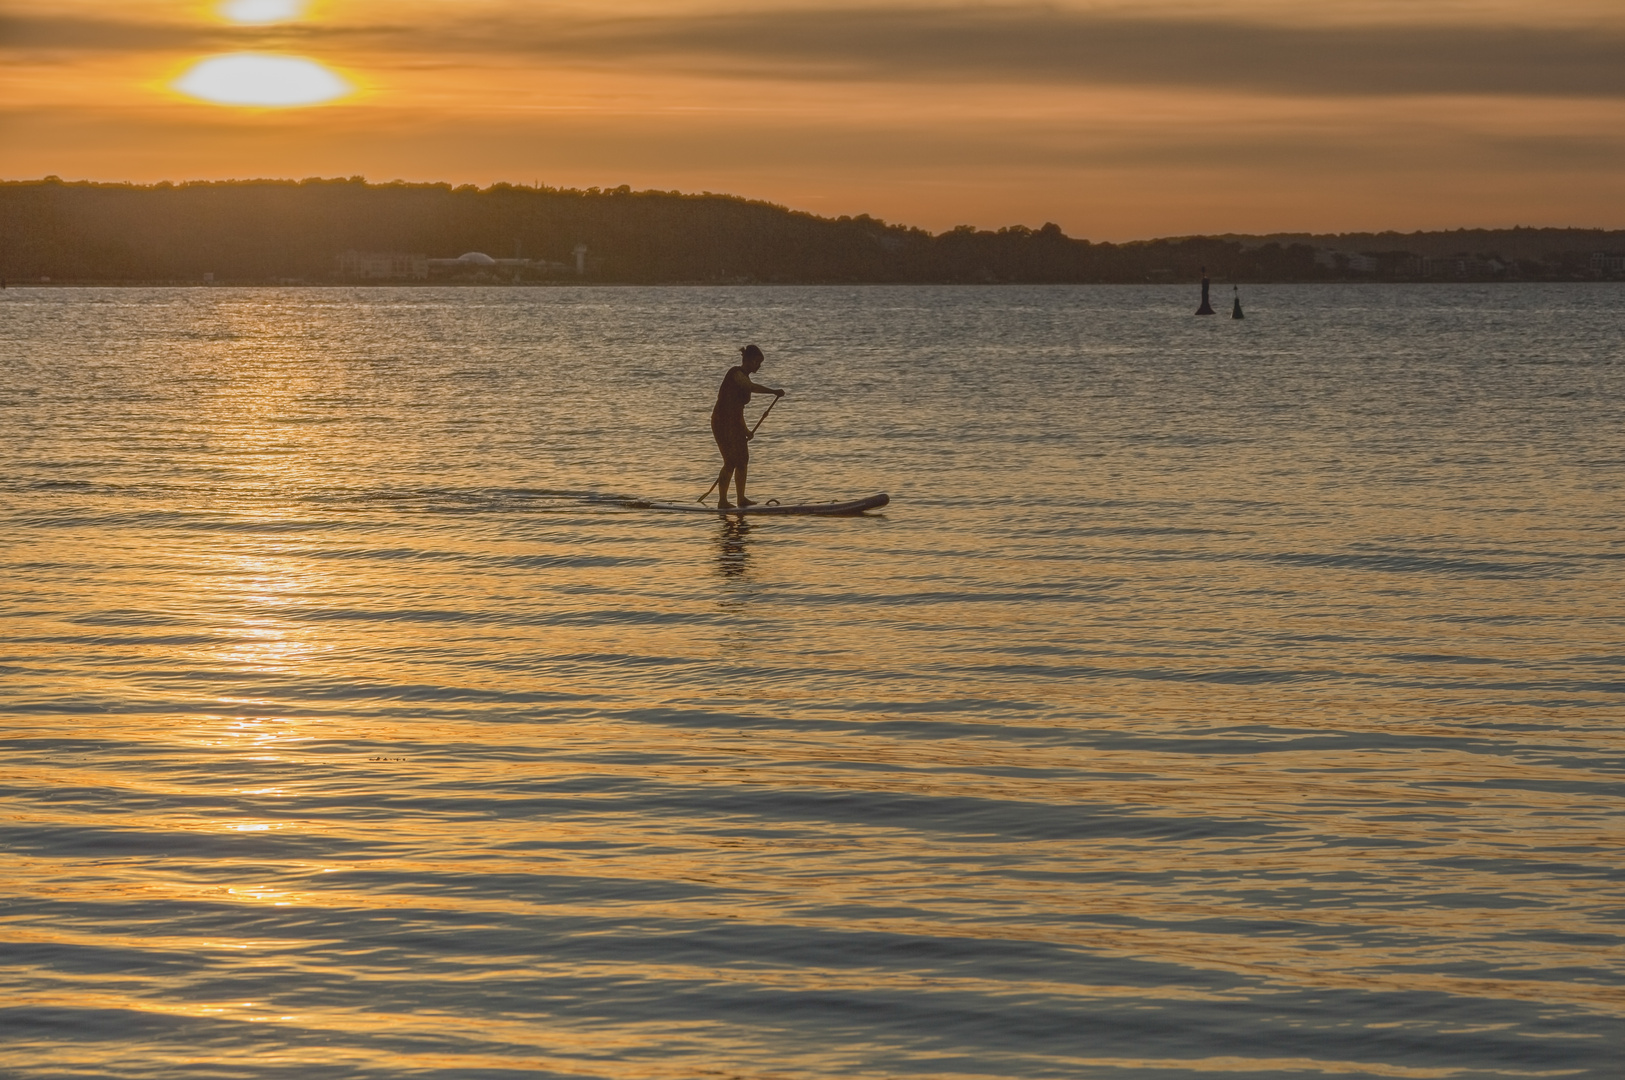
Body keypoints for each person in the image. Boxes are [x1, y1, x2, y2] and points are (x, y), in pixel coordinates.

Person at [710, 344, 785, 509]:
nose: (759, 365)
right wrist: (773, 391)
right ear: (749, 360)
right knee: (730, 461)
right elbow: (751, 388)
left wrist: (745, 430)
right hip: (721, 423)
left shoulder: (745, 377)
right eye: (757, 362)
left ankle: (741, 499)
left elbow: (738, 410)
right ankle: (722, 501)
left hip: (734, 423)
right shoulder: (736, 373)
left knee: (743, 460)